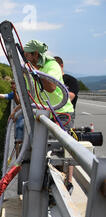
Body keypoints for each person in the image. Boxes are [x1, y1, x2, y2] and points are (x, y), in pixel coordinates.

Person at [23, 40, 75, 194]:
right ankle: (49, 188)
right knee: (43, 151)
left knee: (60, 153)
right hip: (44, 114)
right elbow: (29, 94)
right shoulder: (30, 69)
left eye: (27, 55)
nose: (25, 57)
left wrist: (33, 70)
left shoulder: (51, 65)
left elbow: (51, 87)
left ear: (35, 54)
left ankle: (65, 186)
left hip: (61, 114)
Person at [54, 56, 79, 194]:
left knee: (67, 146)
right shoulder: (50, 80)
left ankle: (69, 181)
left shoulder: (70, 80)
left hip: (67, 117)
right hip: (52, 116)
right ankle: (56, 177)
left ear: (61, 66)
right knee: (53, 147)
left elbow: (70, 96)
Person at [0, 81, 23, 156]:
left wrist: (14, 111)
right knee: (18, 142)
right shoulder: (16, 92)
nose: (11, 86)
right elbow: (6, 96)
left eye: (13, 84)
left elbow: (19, 103)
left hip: (23, 120)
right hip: (19, 121)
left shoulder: (23, 91)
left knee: (20, 141)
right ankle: (18, 161)